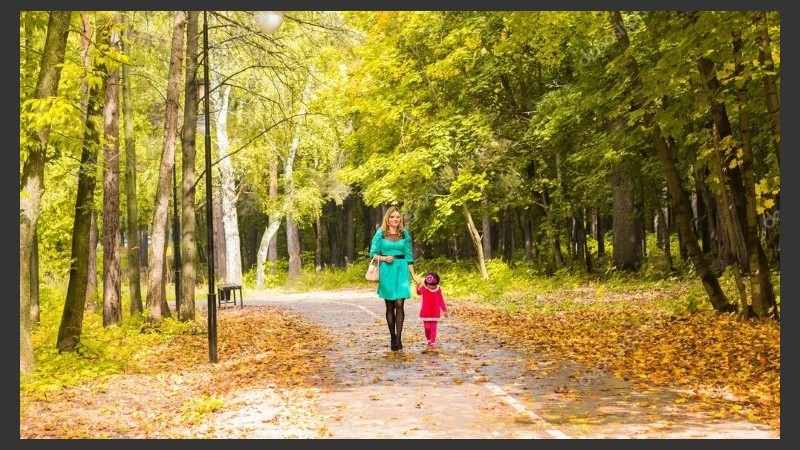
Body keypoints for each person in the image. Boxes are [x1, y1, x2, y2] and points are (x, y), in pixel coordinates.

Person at [369, 206, 422, 351]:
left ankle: (399, 339)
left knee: (399, 304)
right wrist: (384, 258)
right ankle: (392, 337)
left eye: (398, 217)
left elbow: (409, 256)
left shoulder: (404, 233)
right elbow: (372, 254)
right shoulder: (380, 233)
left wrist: (414, 275)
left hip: (402, 270)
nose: (395, 219)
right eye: (392, 217)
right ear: (387, 218)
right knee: (390, 306)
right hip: (387, 270)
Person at [416, 272, 448, 348]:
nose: (432, 287)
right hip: (426, 312)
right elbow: (419, 293)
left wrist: (444, 310)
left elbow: (441, 299)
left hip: (435, 312)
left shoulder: (438, 289)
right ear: (426, 283)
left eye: (434, 285)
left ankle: (433, 341)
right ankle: (429, 339)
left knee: (433, 328)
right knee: (427, 328)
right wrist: (418, 287)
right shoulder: (424, 288)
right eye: (430, 285)